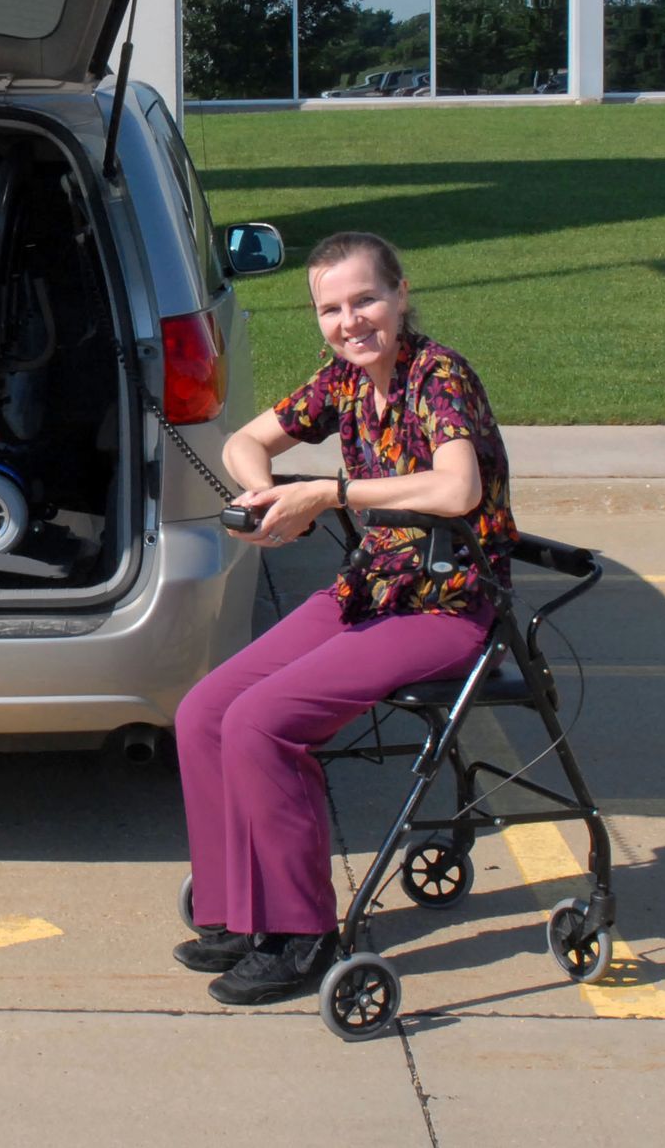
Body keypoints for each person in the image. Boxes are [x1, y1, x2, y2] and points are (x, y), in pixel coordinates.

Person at [174, 230, 516, 1006]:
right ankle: (235, 912)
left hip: (450, 605)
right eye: (331, 308)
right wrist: (264, 496)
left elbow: (457, 489)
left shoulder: (439, 376)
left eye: (365, 299)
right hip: (371, 592)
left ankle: (301, 934)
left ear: (400, 294)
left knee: (263, 721)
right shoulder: (345, 381)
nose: (351, 321)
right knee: (203, 712)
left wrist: (326, 494)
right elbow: (244, 440)